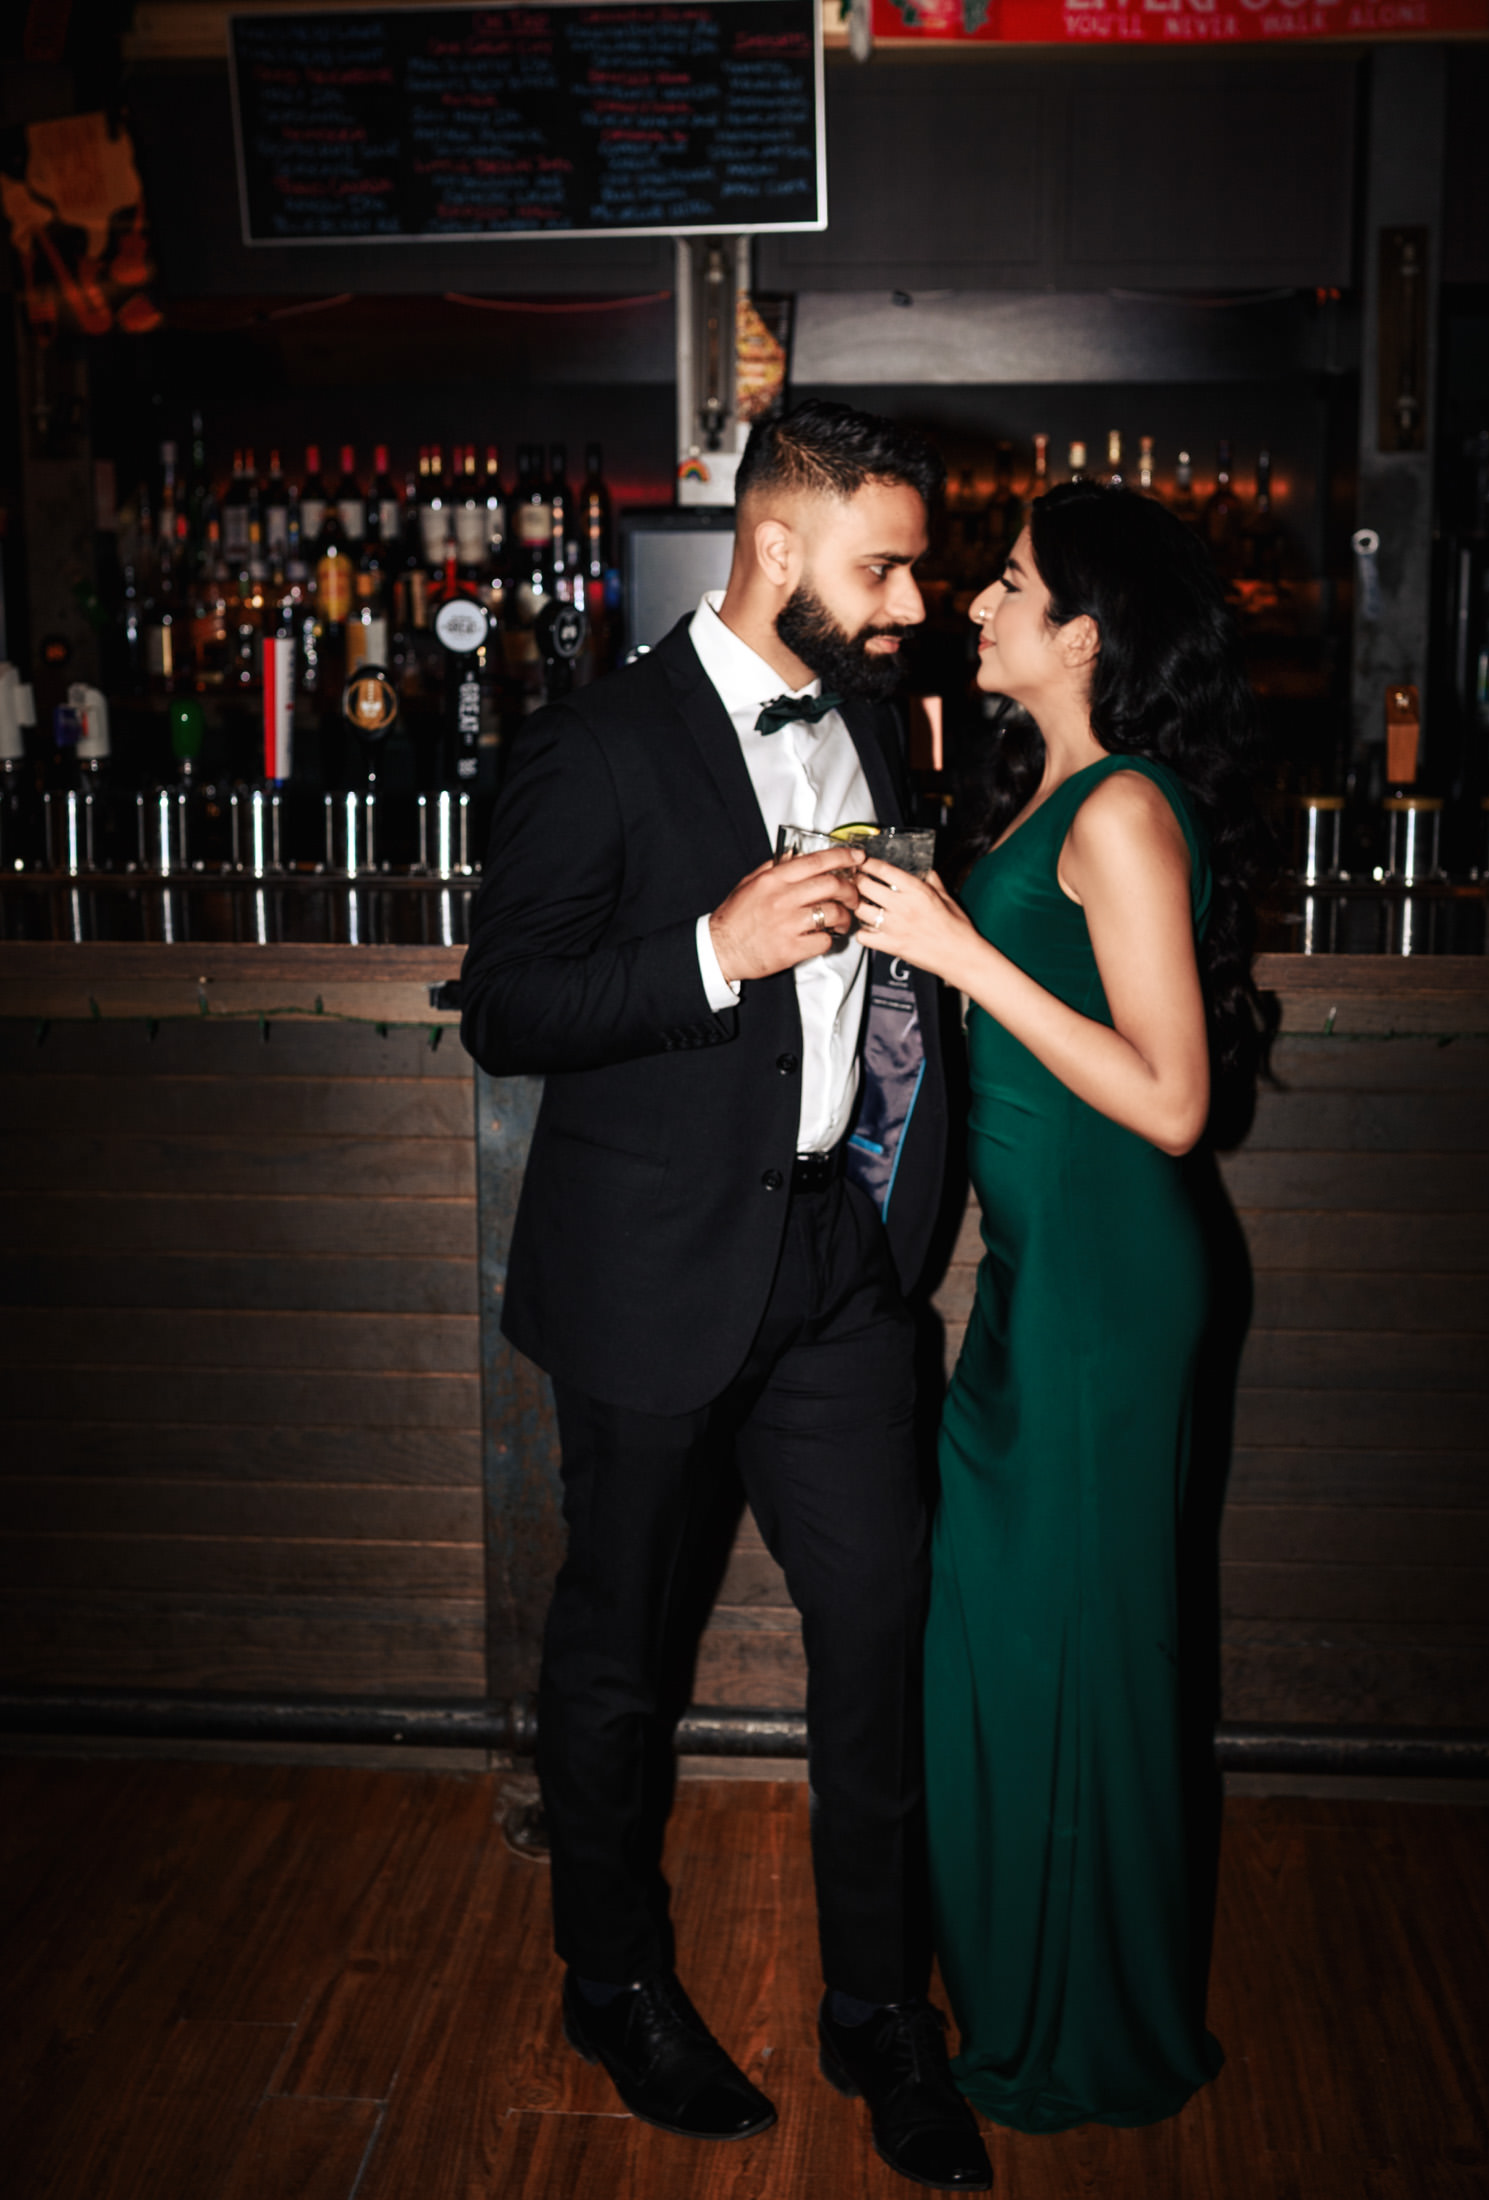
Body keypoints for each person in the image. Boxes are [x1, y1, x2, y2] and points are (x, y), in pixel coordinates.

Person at [459, 399, 993, 2193]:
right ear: (776, 549)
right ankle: (610, 1981)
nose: (911, 597)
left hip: (837, 1270)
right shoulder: (595, 743)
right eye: (885, 563)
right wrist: (713, 949)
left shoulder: (881, 729)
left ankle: (876, 2010)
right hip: (652, 1273)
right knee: (618, 1658)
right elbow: (513, 1006)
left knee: (880, 1638)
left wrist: (897, 1214)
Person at [854, 478, 1263, 2135]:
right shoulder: (1059, 793)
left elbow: (1174, 1102)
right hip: (1050, 1286)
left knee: (1078, 1657)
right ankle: (1034, 1984)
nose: (980, 600)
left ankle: (1090, 2034)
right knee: (1021, 1647)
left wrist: (964, 962)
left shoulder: (1119, 814)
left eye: (1011, 583)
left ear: (1084, 633)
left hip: (1111, 1292)